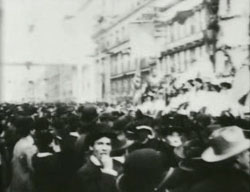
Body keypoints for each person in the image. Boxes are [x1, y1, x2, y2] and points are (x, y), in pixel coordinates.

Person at [188, 126, 250, 192]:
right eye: (246, 151)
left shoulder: (202, 186)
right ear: (237, 160)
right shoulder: (242, 185)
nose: (249, 153)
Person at [74, 124, 122, 192]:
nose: (104, 148)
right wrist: (107, 170)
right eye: (100, 144)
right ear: (91, 146)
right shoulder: (84, 172)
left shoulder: (118, 165)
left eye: (108, 144)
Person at [9, 117, 37, 192]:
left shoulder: (19, 143)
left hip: (20, 177)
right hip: (26, 178)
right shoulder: (30, 143)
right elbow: (32, 167)